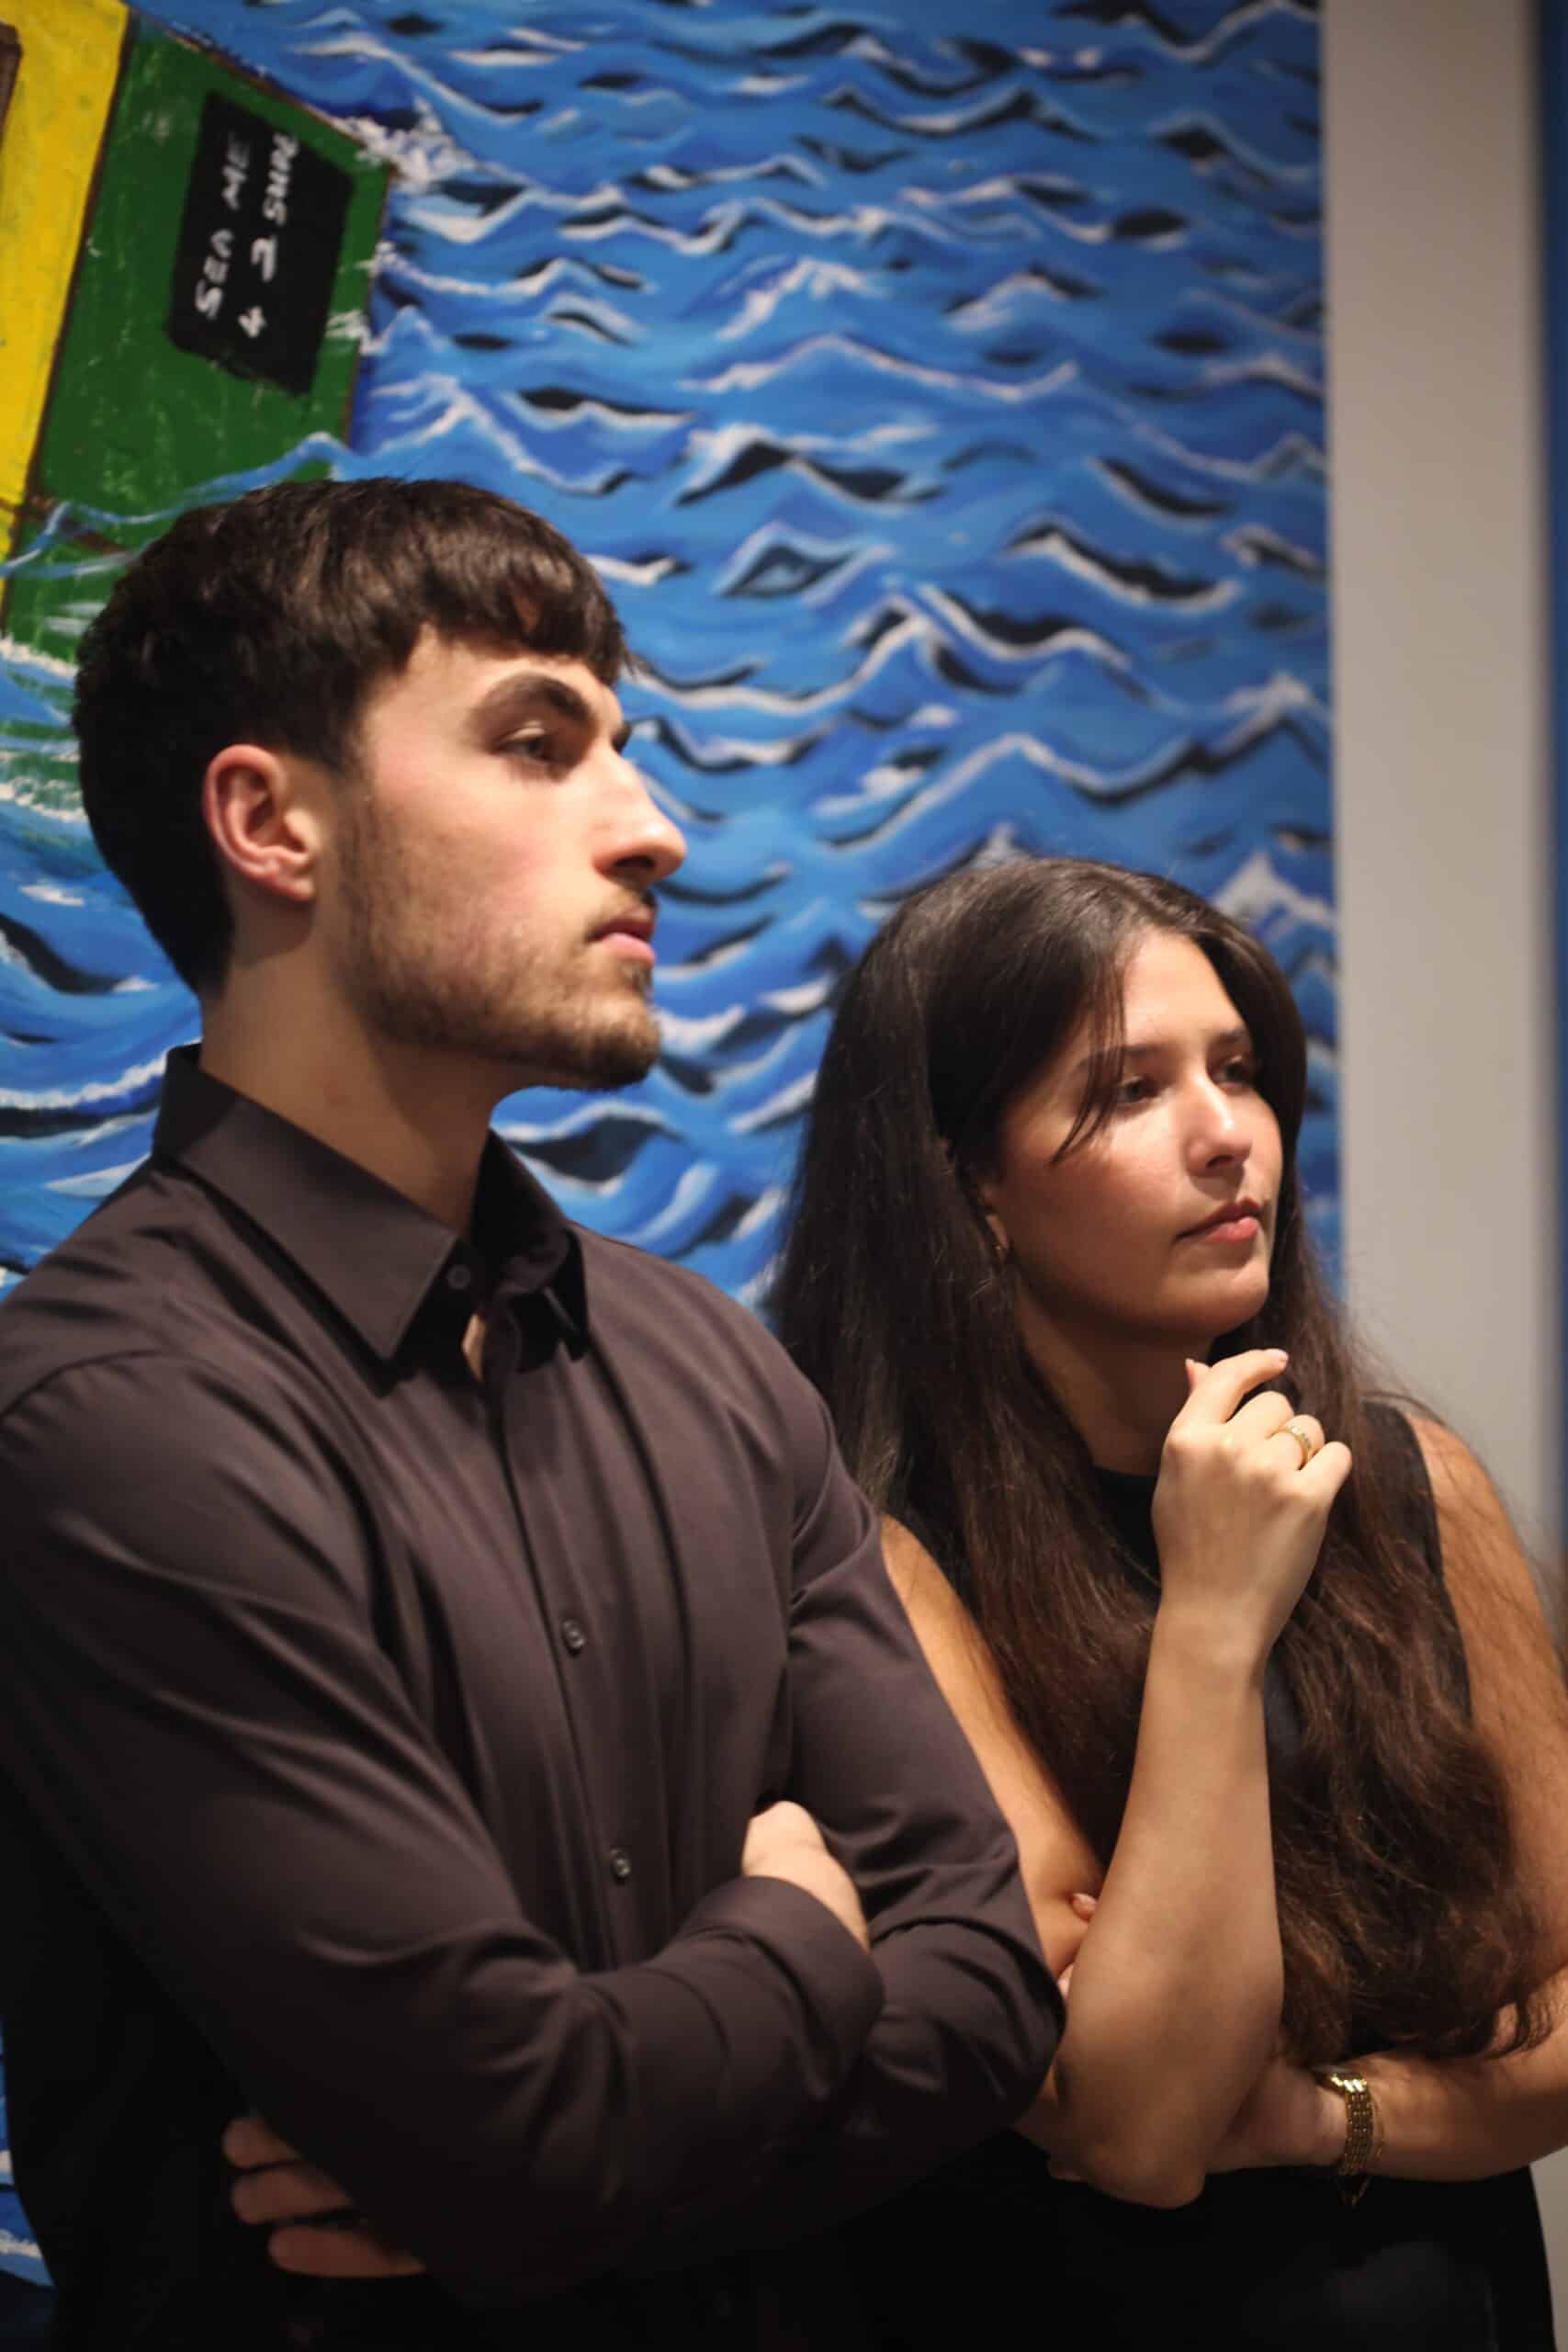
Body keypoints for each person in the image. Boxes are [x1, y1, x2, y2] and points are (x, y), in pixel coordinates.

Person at [0, 479, 1056, 2352]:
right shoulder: (108, 1413)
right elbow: (516, 2131)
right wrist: (798, 1939)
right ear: (270, 823)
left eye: (621, 748)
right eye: (536, 743)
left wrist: (557, 2180)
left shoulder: (707, 1365)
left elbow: (985, 1991)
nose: (651, 828)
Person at [769, 856, 1568, 2347]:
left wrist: (1329, 2116)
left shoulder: (1412, 1484)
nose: (1227, 1136)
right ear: (973, 1186)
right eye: (1130, 1091)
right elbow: (1140, 2120)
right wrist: (1211, 1620)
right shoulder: (878, 1561)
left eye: (1241, 1071)